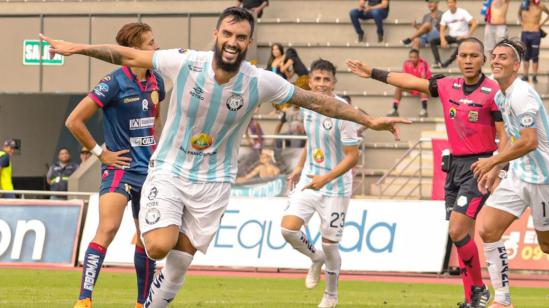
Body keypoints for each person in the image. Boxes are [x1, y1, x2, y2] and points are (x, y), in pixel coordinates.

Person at [41, 7, 410, 307]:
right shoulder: (185, 62)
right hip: (169, 171)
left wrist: (369, 119)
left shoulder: (259, 81)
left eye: (241, 37)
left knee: (180, 264)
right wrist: (77, 47)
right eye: (227, 34)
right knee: (157, 245)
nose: (233, 42)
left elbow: (318, 101)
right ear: (216, 35)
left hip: (214, 183)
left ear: (249, 42)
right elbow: (125, 53)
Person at [346, 37, 507, 308]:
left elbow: (505, 136)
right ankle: (473, 298)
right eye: (463, 55)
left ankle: (478, 290)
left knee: (457, 229)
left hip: (479, 167)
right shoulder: (447, 85)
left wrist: (496, 166)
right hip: (454, 166)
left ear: (484, 59)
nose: (468, 61)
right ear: (457, 58)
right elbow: (411, 82)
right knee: (460, 234)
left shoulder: (494, 92)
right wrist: (373, 72)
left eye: (474, 56)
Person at [64, 22, 166, 308]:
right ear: (133, 50)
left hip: (149, 172)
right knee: (107, 229)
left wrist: (156, 148)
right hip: (119, 168)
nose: (156, 48)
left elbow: (154, 119)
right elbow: (73, 121)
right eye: (150, 43)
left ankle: (141, 302)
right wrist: (100, 153)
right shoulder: (113, 82)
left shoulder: (157, 80)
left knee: (146, 238)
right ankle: (84, 299)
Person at [472, 38, 549, 308]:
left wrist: (492, 160)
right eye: (493, 56)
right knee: (488, 228)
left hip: (544, 178)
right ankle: (503, 301)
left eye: (503, 57)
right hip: (519, 172)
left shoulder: (522, 94)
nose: (495, 60)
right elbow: (510, 138)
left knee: (547, 246)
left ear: (517, 65)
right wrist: (497, 166)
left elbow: (529, 141)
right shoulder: (500, 95)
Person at [281, 59, 361, 308]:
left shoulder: (343, 110)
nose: (322, 84)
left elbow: (352, 156)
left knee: (330, 246)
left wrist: (324, 179)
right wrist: (298, 166)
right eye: (318, 79)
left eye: (327, 79)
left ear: (334, 83)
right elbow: (311, 139)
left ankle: (331, 295)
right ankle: (314, 259)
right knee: (288, 230)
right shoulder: (307, 105)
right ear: (311, 81)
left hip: (335, 186)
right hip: (309, 179)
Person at [431, 0, 477, 68]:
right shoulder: (445, 15)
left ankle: (447, 63)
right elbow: (442, 29)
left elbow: (474, 23)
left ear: (455, 3)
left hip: (462, 37)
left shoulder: (462, 12)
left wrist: (467, 35)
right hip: (451, 36)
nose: (450, 4)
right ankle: (438, 62)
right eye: (448, 3)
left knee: (461, 46)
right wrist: (443, 39)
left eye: (451, 2)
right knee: (433, 41)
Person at [388, 49, 432, 117]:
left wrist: (414, 84)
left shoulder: (423, 64)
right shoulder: (406, 63)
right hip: (411, 85)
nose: (412, 59)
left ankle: (424, 110)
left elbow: (423, 79)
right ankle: (394, 109)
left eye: (414, 57)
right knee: (399, 87)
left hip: (421, 84)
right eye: (411, 57)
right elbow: (403, 77)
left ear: (418, 57)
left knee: (423, 87)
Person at [519, 0, 549, 83]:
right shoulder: (523, 5)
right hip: (525, 32)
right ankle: (525, 75)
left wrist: (541, 24)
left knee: (535, 56)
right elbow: (519, 14)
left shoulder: (540, 5)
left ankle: (534, 76)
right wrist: (521, 23)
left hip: (535, 33)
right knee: (525, 55)